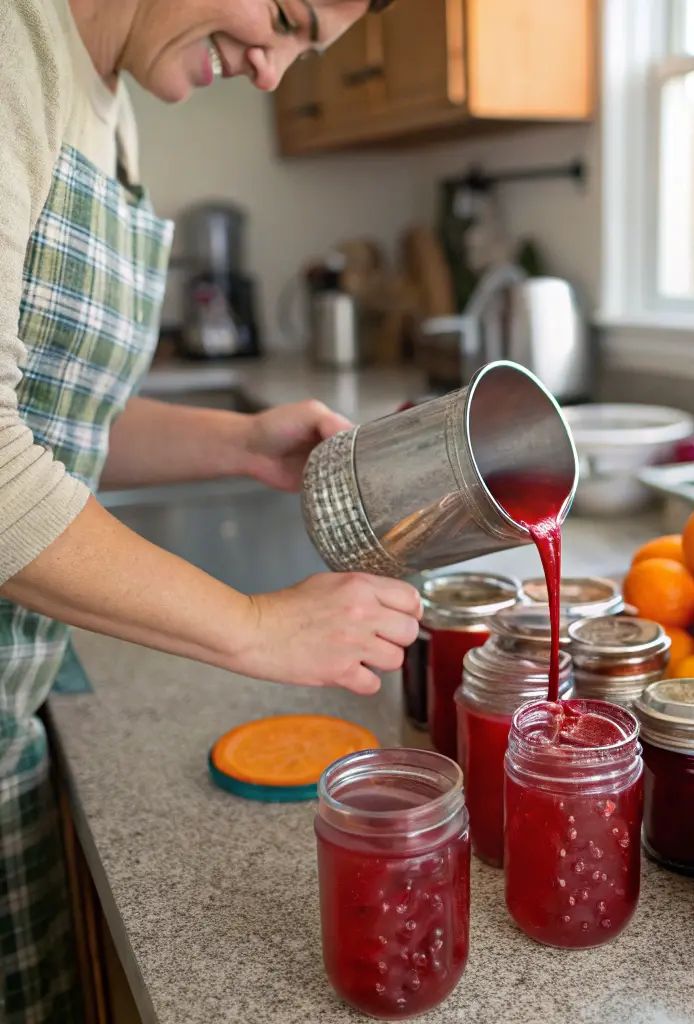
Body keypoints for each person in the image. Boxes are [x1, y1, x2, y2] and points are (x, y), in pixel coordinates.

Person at [0, 0, 406, 1019]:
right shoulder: (14, 51)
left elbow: (51, 414)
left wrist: (233, 442)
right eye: (283, 16)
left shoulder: (111, 106)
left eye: (305, 52)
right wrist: (257, 626)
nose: (273, 73)